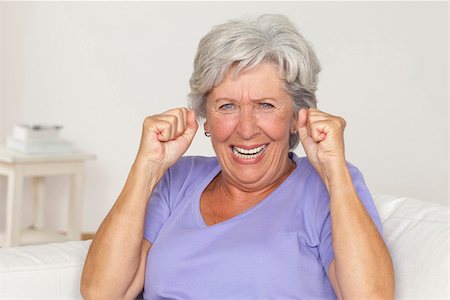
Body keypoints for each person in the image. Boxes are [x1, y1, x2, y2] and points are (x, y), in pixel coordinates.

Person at [81, 14, 394, 299]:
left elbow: (369, 296)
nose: (246, 129)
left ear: (298, 116)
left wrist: (333, 170)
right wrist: (147, 167)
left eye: (265, 105)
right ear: (206, 117)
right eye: (227, 106)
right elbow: (101, 293)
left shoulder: (329, 185)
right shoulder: (179, 178)